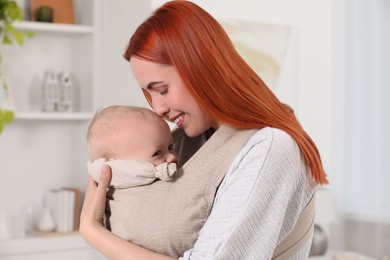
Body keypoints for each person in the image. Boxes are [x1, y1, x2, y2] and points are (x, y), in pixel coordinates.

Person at [80, 1, 328, 259]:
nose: (158, 109)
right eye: (149, 94)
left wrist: (92, 232)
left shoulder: (270, 148)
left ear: (200, 68)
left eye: (162, 90)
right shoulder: (179, 144)